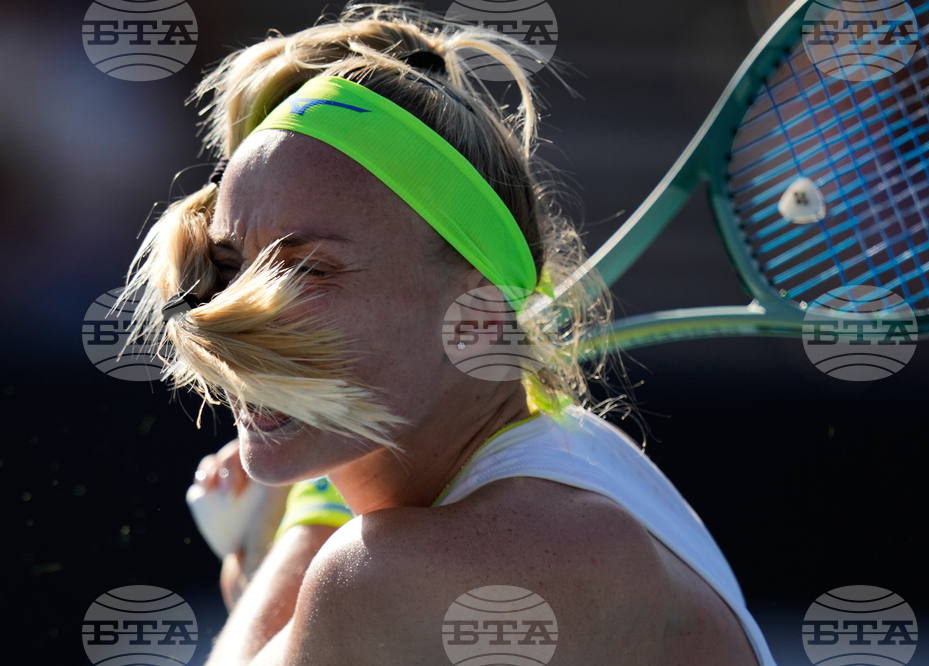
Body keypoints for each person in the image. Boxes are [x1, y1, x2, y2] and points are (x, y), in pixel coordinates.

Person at [121, 4, 777, 664]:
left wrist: (299, 524)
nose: (235, 314)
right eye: (230, 265)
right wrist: (318, 500)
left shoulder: (417, 573)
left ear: (478, 312)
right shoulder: (569, 468)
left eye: (310, 269)